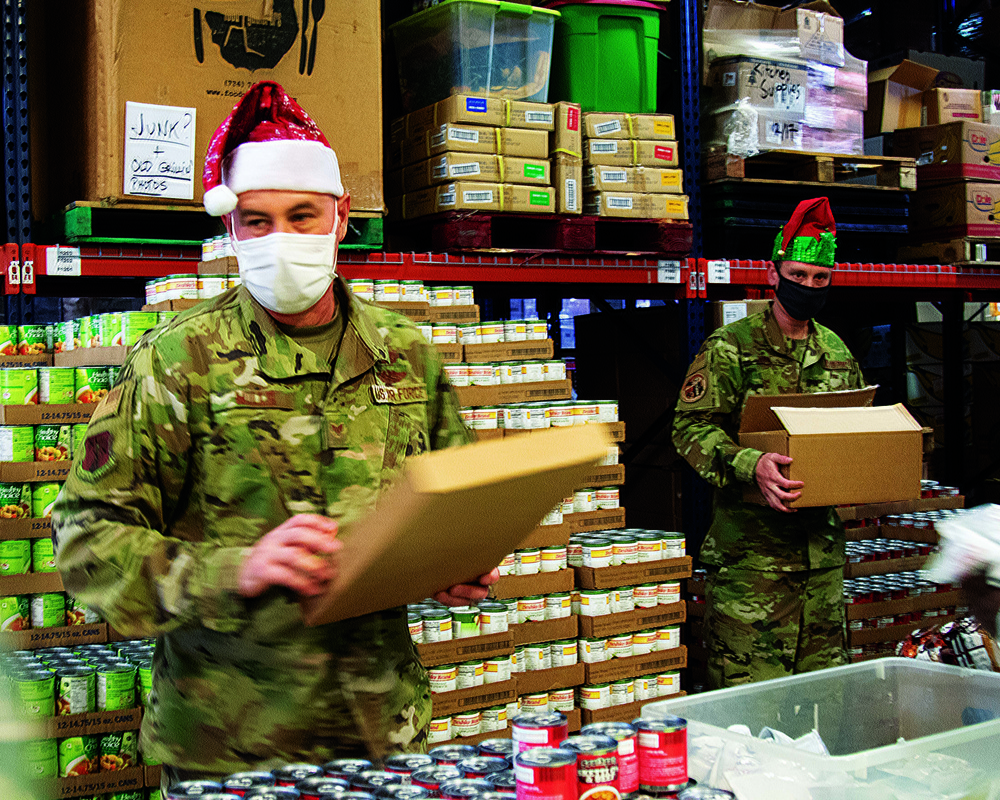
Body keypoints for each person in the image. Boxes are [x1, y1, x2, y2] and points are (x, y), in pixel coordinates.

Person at [52, 81, 497, 783]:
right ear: (229, 228)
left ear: (342, 216)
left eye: (302, 215)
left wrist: (457, 562)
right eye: (256, 221)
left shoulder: (406, 354)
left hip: (380, 737)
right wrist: (240, 569)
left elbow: (455, 497)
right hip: (227, 747)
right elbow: (85, 543)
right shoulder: (179, 362)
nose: (280, 239)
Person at [672, 197, 866, 690]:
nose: (808, 287)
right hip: (751, 566)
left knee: (825, 700)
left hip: (820, 562)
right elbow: (690, 429)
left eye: (820, 279)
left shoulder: (837, 352)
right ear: (774, 272)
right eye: (798, 275)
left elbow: (858, 435)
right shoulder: (730, 347)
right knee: (748, 705)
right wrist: (749, 463)